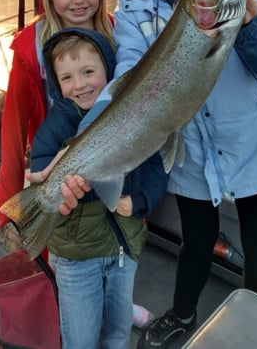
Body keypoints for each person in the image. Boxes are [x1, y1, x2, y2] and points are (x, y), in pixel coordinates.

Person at [28, 0, 257, 348]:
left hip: (254, 142)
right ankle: (182, 313)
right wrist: (76, 152)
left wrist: (253, 19)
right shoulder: (132, 2)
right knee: (196, 240)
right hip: (188, 147)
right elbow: (125, 80)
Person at [29, 27, 168, 349]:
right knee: (80, 337)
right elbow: (41, 168)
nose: (79, 85)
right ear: (56, 83)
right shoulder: (54, 127)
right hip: (76, 258)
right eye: (67, 78)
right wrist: (65, 188)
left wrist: (142, 199)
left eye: (88, 72)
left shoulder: (133, 117)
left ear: (109, 70)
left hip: (124, 249)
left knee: (119, 331)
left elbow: (155, 166)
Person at [0, 0, 114, 229]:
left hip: (110, 164)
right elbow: (14, 126)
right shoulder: (29, 49)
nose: (79, 0)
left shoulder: (115, 32)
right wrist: (7, 205)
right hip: (56, 168)